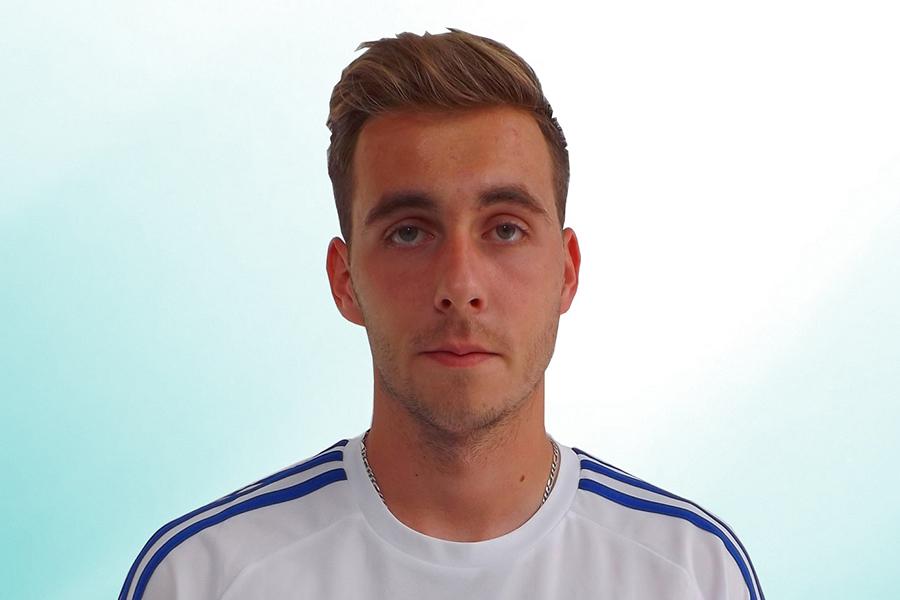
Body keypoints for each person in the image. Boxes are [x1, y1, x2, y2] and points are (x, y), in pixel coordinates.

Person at [120, 28, 764, 600]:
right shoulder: (203, 577)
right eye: (409, 232)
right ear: (345, 281)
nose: (460, 286)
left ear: (566, 271)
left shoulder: (691, 573)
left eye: (505, 229)